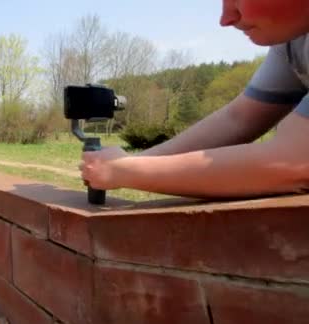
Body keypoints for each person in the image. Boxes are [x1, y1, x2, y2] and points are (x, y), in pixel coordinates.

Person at [80, 0, 309, 199]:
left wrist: (129, 171)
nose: (226, 18)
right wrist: (130, 162)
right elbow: (239, 119)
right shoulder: (293, 42)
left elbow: (294, 162)